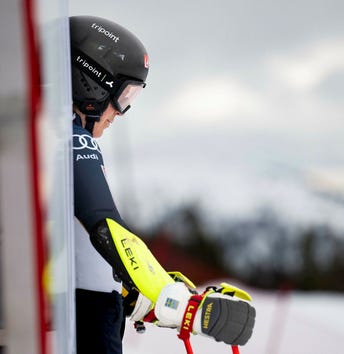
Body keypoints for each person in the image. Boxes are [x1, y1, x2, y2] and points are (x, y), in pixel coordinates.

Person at [69, 15, 255, 354]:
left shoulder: (44, 146)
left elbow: (82, 264)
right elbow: (108, 228)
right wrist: (186, 307)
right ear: (90, 84)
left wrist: (145, 294)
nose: (120, 113)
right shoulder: (70, 140)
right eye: (122, 96)